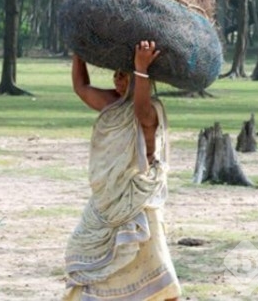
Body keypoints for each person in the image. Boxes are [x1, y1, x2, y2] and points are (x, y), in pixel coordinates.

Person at [63, 40, 181, 301]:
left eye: (124, 77)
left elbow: (140, 110)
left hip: (136, 201)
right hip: (107, 198)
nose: (118, 81)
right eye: (116, 75)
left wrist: (141, 67)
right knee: (82, 250)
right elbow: (81, 88)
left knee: (151, 264)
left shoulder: (151, 112)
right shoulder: (113, 104)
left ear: (141, 80)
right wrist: (78, 52)